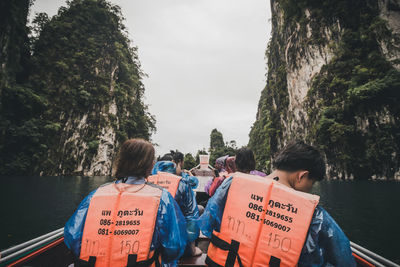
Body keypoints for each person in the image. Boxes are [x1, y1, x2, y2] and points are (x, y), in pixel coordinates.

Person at [198, 141, 356, 266]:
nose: (310, 188)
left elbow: (207, 226)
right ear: (302, 176)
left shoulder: (231, 184)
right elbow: (345, 261)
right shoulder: (315, 216)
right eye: (312, 182)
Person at [64, 139, 187, 267]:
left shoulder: (94, 195)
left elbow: (72, 237)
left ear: (120, 162)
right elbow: (174, 247)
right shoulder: (162, 198)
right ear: (149, 165)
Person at [151, 151, 201, 257]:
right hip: (176, 245)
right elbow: (191, 218)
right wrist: (191, 250)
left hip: (150, 245)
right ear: (174, 164)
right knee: (198, 210)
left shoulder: (147, 181)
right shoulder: (182, 184)